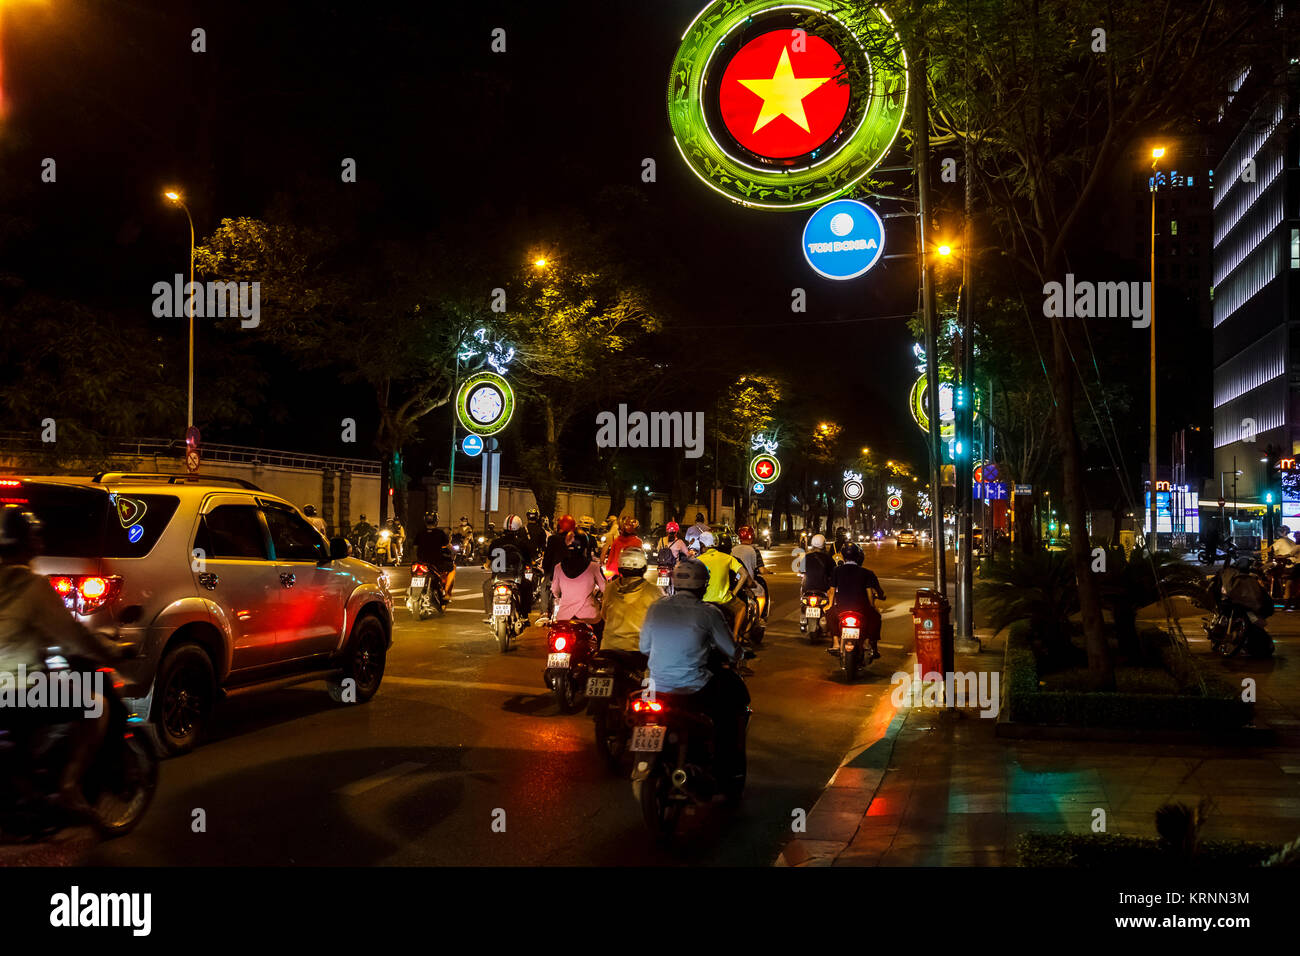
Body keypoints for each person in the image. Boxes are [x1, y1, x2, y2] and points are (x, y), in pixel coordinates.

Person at [0, 506, 123, 820]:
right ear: (31, 543)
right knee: (97, 705)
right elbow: (74, 637)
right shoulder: (32, 587)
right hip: (16, 691)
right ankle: (69, 785)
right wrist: (111, 652)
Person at [639, 557, 749, 784]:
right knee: (731, 708)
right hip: (693, 688)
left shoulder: (656, 607)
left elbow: (644, 647)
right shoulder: (708, 613)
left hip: (656, 686)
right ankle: (726, 768)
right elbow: (730, 650)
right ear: (703, 586)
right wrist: (740, 654)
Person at [826, 542, 886, 659]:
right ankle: (867, 642)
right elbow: (869, 593)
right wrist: (872, 606)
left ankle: (836, 643)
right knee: (876, 617)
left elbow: (832, 591)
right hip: (861, 609)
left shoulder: (837, 570)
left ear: (843, 556)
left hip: (841, 609)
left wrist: (829, 605)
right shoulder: (866, 573)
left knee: (829, 614)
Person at [600, 546, 661, 653]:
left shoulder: (610, 588)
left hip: (609, 649)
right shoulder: (654, 591)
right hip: (638, 650)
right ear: (644, 568)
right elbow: (661, 622)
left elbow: (604, 615)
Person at [695, 531, 751, 641]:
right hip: (723, 600)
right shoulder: (727, 558)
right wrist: (734, 593)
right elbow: (744, 574)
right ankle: (735, 636)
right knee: (742, 607)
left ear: (702, 545)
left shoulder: (698, 560)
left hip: (703, 600)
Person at [481, 514, 537, 621]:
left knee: (486, 586)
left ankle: (490, 613)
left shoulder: (495, 542)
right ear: (519, 528)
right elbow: (529, 561)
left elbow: (488, 562)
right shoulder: (522, 543)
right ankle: (525, 615)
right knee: (528, 586)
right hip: (516, 578)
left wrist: (486, 566)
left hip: (497, 578)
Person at [551, 534, 605, 624]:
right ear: (585, 548)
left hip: (564, 617)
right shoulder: (594, 567)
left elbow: (555, 591)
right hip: (589, 616)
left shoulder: (558, 567)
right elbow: (605, 589)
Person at [730, 525, 768, 623]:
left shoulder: (733, 549)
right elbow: (761, 570)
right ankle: (759, 617)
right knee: (761, 592)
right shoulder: (754, 550)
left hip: (733, 581)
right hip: (747, 581)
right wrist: (768, 571)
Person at [414, 511, 455, 596]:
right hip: (437, 561)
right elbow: (449, 546)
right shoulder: (440, 533)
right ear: (436, 521)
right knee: (452, 568)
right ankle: (447, 593)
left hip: (421, 561)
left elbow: (415, 548)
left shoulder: (420, 533)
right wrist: (454, 552)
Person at [603, 515, 643, 580]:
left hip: (615, 572)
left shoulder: (617, 541)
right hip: (630, 573)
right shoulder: (638, 542)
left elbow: (611, 557)